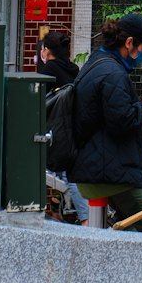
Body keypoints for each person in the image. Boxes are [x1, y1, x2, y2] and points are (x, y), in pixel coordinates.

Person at [68, 13, 142, 231]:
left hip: (98, 168)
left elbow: (110, 114)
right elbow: (122, 123)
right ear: (129, 43)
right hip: (109, 175)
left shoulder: (97, 62)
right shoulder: (113, 73)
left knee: (128, 228)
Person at [35, 28, 88, 224]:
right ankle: (58, 211)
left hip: (56, 129)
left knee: (65, 173)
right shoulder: (73, 69)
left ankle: (86, 219)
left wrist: (43, 63)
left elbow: (39, 99)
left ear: (47, 50)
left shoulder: (49, 69)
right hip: (71, 127)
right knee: (62, 171)